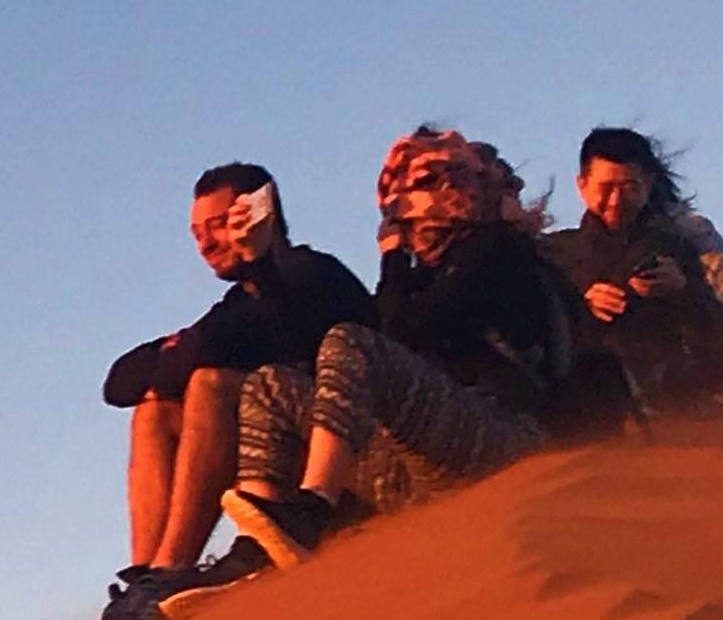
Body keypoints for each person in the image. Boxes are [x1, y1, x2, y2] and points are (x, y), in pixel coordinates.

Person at [220, 128, 568, 567]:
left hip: (505, 445)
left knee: (352, 343)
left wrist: (392, 261)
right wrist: (259, 264)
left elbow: (398, 336)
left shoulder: (496, 250)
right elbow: (318, 358)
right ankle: (254, 549)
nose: (402, 207)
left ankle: (312, 508)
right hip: (422, 466)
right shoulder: (426, 272)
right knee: (268, 385)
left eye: (421, 186)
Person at [62, 164, 373, 620]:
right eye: (195, 233)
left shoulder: (311, 272)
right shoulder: (233, 305)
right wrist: (182, 354)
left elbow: (206, 353)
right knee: (155, 411)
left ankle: (169, 573)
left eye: (216, 226)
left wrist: (180, 353)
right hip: (279, 457)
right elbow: (119, 383)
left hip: (347, 463)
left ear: (258, 212)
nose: (204, 244)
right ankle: (145, 578)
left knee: (208, 384)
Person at [552, 124, 723, 402]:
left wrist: (683, 290)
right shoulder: (556, 251)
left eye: (629, 187)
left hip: (676, 373)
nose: (616, 201)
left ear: (648, 185)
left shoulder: (676, 245)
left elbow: (715, 326)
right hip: (603, 379)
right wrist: (581, 308)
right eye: (606, 188)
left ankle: (721, 406)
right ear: (582, 186)